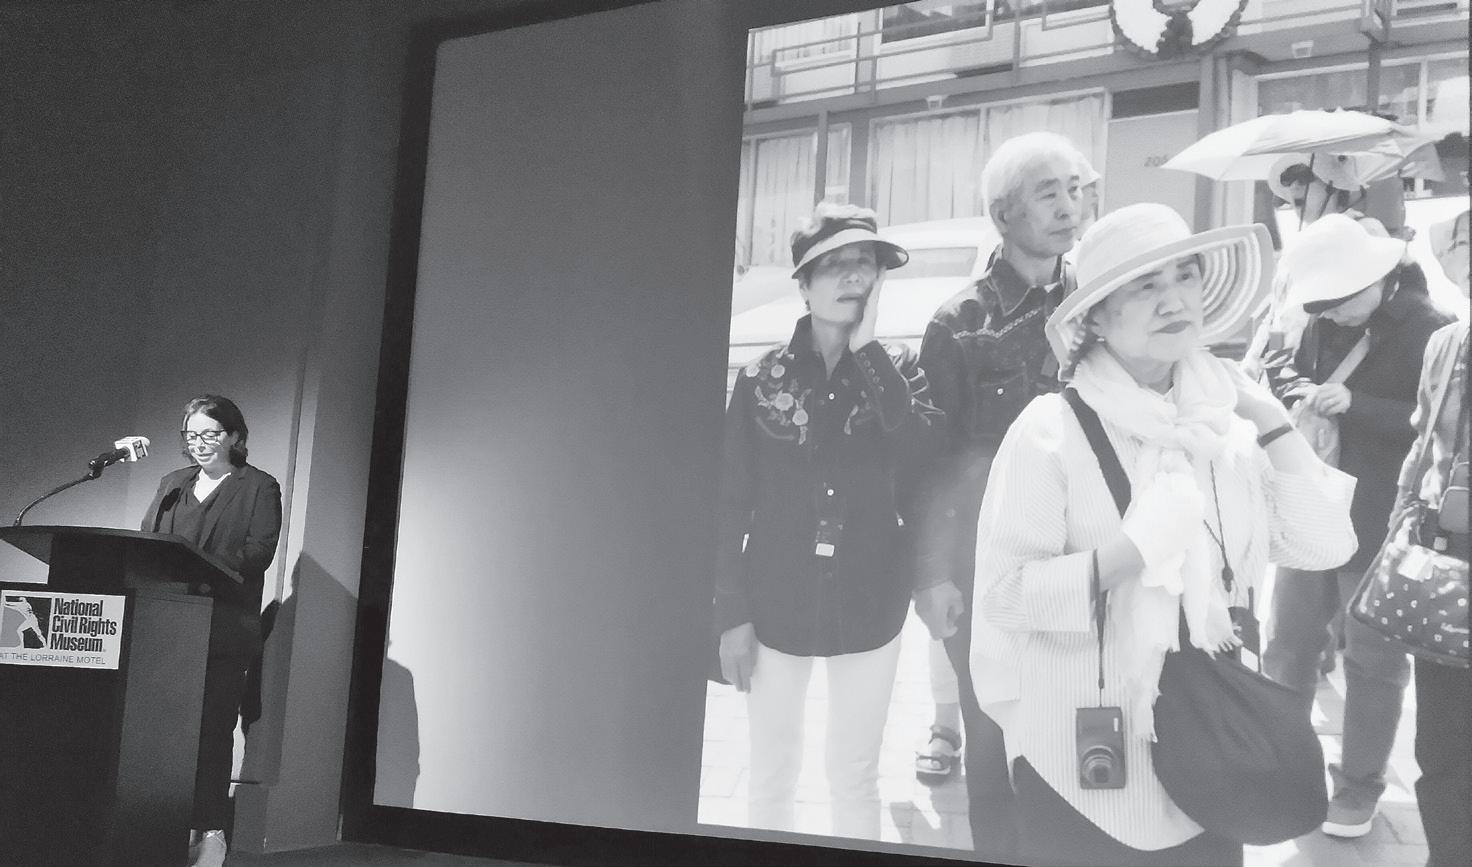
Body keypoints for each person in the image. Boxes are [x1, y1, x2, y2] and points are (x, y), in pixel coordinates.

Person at [969, 202, 1357, 865]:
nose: (1173, 299)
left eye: (1185, 276)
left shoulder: (1226, 429)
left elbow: (1327, 543)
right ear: (1096, 317)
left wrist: (1271, 419)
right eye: (1145, 284)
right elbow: (1004, 597)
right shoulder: (1048, 431)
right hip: (1081, 756)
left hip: (1216, 752)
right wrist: (1130, 553)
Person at [713, 203, 941, 840]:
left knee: (855, 772)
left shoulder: (900, 371)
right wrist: (730, 615)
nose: (853, 277)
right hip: (775, 598)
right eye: (833, 265)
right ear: (804, 285)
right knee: (772, 770)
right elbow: (728, 501)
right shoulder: (760, 380)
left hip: (871, 597)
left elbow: (922, 458)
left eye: (864, 263)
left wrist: (868, 352)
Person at [911, 130, 1086, 857]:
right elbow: (929, 464)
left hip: (1086, 558)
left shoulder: (1099, 302)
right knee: (990, 744)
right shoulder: (961, 323)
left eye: (1075, 188)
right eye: (1049, 193)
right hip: (988, 569)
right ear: (1004, 214)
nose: (1069, 206)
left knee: (1077, 739)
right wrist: (933, 575)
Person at [1261, 213, 1454, 838]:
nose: (1332, 312)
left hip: (1379, 516)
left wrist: (1357, 405)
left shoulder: (1432, 328)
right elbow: (1283, 368)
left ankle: (1359, 785)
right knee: (1287, 643)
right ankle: (1284, 763)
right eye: (1321, 302)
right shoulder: (1321, 320)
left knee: (1371, 659)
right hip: (1312, 504)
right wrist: (1300, 391)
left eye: (1340, 299)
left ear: (1378, 277)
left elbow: (1438, 429)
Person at [142, 395, 282, 867]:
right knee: (160, 731)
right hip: (168, 627)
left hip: (223, 627)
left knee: (212, 731)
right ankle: (158, 824)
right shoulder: (172, 484)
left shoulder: (258, 486)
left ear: (234, 436)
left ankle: (208, 829)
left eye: (210, 434)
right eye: (192, 435)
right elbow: (149, 543)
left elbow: (258, 552)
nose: (199, 443)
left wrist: (199, 567)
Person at [1395, 209, 1469, 867]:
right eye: (1461, 241)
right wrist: (1400, 529)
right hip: (1450, 557)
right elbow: (1422, 444)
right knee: (1443, 741)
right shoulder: (1445, 344)